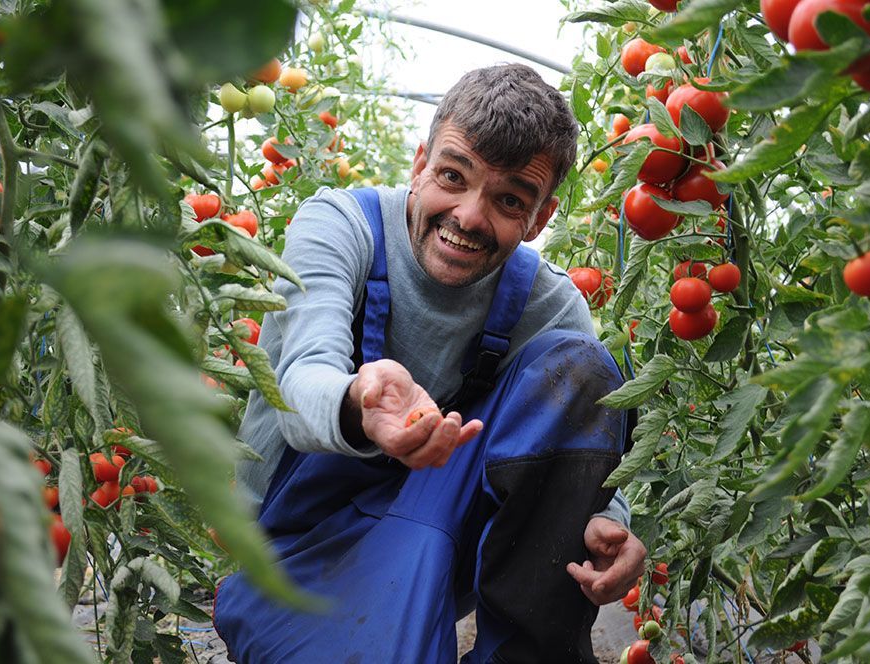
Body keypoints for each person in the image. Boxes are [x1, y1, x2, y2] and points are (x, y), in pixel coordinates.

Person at [213, 63, 647, 663]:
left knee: (580, 367)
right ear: (420, 164)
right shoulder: (341, 227)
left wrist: (611, 522)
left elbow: (586, 444)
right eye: (452, 175)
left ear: (539, 219)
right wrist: (359, 404)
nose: (469, 215)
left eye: (508, 199)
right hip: (295, 551)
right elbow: (302, 379)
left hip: (435, 529)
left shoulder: (547, 303)